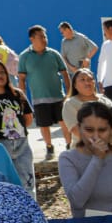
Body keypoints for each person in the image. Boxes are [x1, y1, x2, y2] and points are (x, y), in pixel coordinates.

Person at [58, 101, 112, 223]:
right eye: (89, 130)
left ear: (111, 129)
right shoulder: (68, 158)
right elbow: (77, 201)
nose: (96, 136)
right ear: (79, 128)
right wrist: (98, 159)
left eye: (102, 130)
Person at [0, 59, 37, 192]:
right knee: (3, 186)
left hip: (21, 144)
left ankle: (30, 211)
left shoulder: (17, 94)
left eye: (2, 72)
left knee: (27, 183)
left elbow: (28, 118)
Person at [18, 25, 69, 159]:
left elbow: (65, 73)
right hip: (39, 98)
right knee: (43, 124)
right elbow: (22, 78)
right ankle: (49, 147)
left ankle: (69, 146)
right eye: (41, 37)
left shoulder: (54, 54)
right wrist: (22, 98)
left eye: (45, 36)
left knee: (65, 122)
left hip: (59, 96)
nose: (44, 39)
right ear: (32, 39)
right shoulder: (24, 57)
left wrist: (69, 92)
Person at [61, 68, 112, 149]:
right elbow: (76, 130)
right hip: (82, 151)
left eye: (90, 79)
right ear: (75, 85)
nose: (87, 82)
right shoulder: (70, 104)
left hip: (108, 148)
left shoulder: (105, 101)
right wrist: (99, 145)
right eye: (82, 80)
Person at [58, 21, 99, 87]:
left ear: (68, 29)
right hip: (72, 74)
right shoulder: (64, 42)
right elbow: (63, 57)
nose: (62, 35)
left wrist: (87, 59)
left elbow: (95, 47)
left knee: (87, 91)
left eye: (62, 32)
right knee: (74, 94)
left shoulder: (81, 37)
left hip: (84, 72)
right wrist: (71, 67)